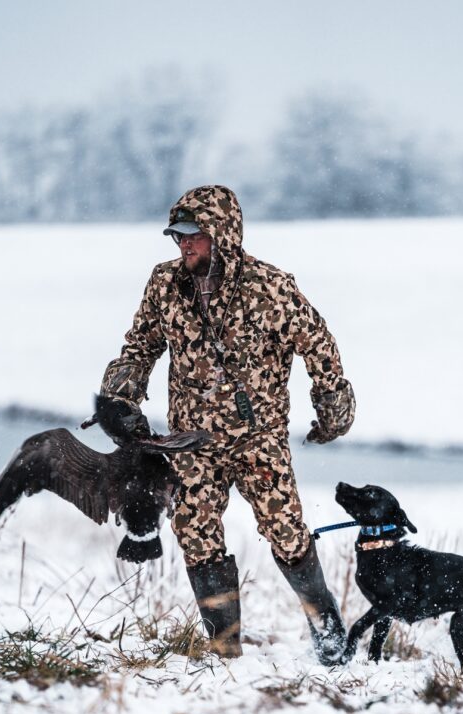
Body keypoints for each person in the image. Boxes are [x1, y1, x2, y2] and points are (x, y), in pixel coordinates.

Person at [99, 185, 355, 662]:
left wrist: (331, 402)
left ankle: (328, 632)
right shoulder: (164, 284)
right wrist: (118, 396)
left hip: (258, 441)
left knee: (287, 532)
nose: (184, 245)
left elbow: (318, 341)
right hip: (189, 442)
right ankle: (225, 646)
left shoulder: (270, 287)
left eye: (193, 235)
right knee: (194, 533)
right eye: (177, 237)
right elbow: (140, 347)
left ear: (223, 234)